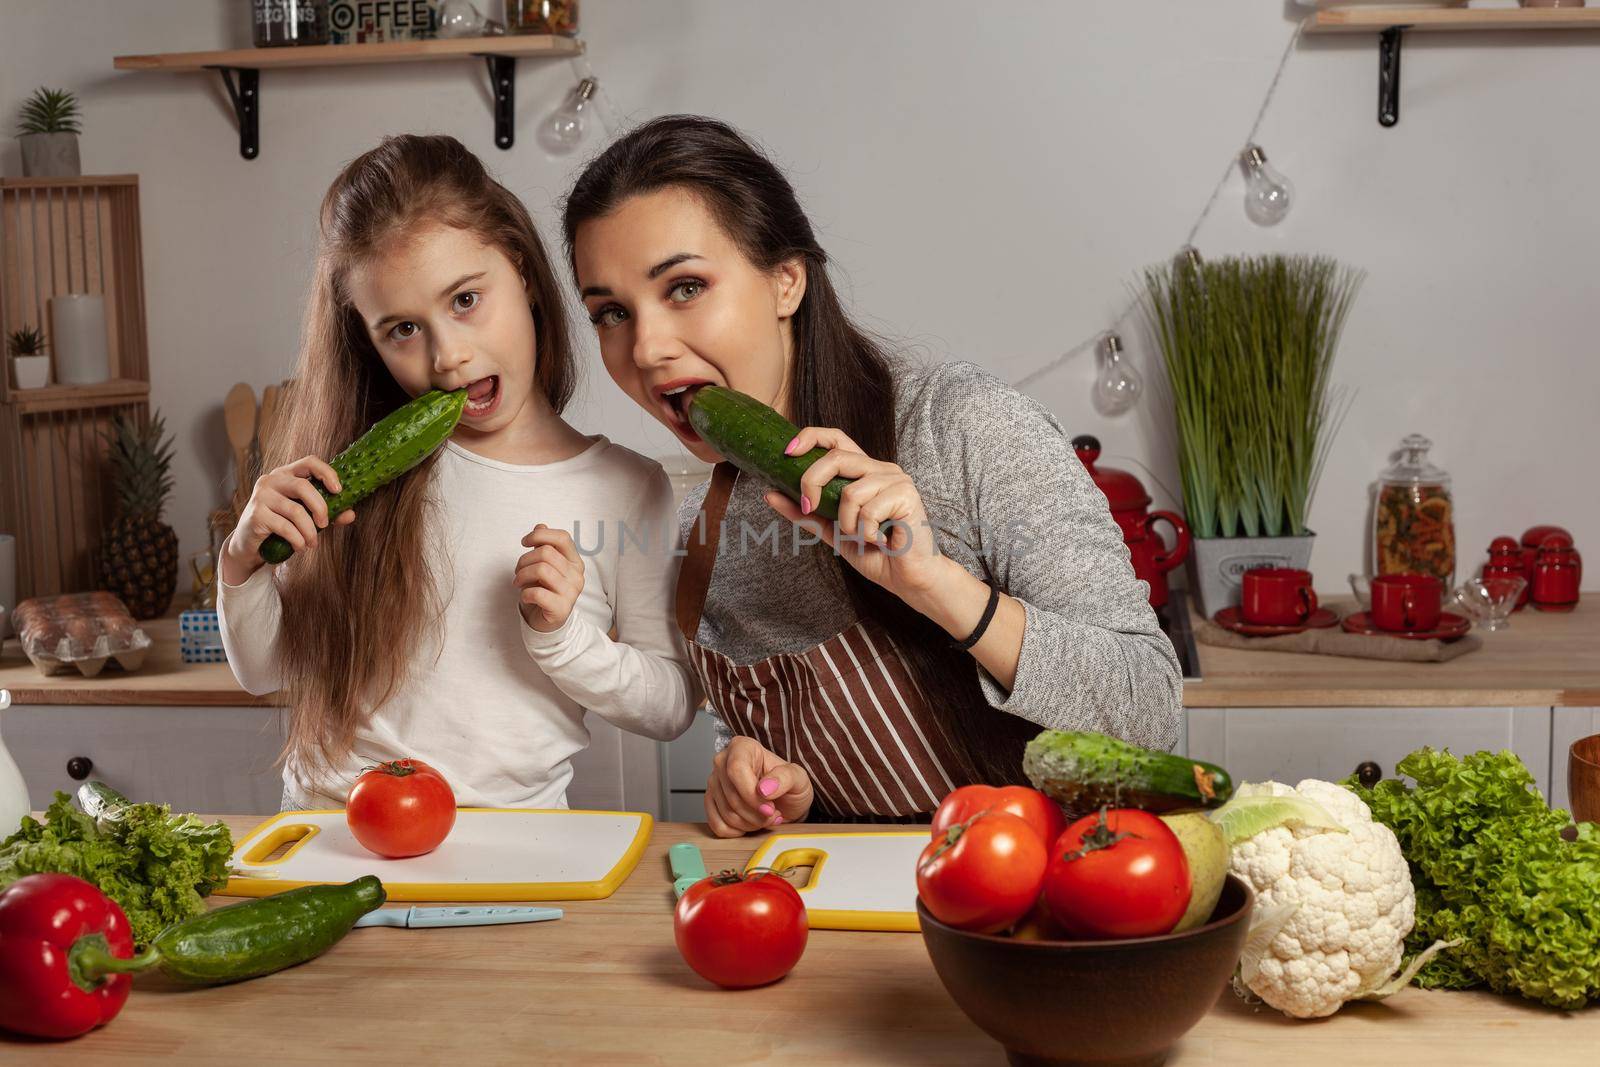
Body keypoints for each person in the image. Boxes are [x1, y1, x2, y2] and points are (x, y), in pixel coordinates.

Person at [563, 115, 1183, 837]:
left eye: (685, 287)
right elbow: (827, 784)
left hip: (1050, 901)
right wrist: (771, 781)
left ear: (786, 280)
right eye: (611, 312)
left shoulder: (961, 428)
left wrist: (937, 586)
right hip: (852, 920)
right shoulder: (705, 534)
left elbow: (1149, 711)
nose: (646, 348)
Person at [218, 134, 695, 810]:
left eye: (466, 300)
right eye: (402, 330)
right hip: (335, 840)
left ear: (523, 271)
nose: (448, 356)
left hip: (517, 855)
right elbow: (263, 669)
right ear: (369, 340)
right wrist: (243, 565)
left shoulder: (627, 488)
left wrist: (565, 640)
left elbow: (670, 705)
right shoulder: (355, 468)